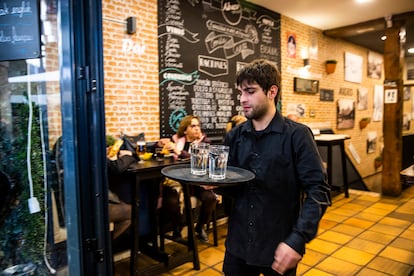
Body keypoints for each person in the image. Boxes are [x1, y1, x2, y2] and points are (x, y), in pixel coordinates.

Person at [221, 59, 331, 275]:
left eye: (250, 91)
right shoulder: (235, 136)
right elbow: (234, 187)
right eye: (241, 92)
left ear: (272, 91)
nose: (242, 99)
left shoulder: (297, 135)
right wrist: (214, 185)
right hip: (238, 244)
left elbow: (318, 190)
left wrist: (298, 239)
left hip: (279, 245)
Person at [158, 115, 218, 242]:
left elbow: (196, 159)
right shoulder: (176, 140)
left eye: (198, 125)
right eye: (193, 126)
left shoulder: (205, 142)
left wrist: (178, 151)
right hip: (178, 181)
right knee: (170, 201)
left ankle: (200, 226)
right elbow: (159, 151)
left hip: (197, 182)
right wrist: (159, 144)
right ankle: (178, 225)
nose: (197, 128)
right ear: (185, 130)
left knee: (211, 198)